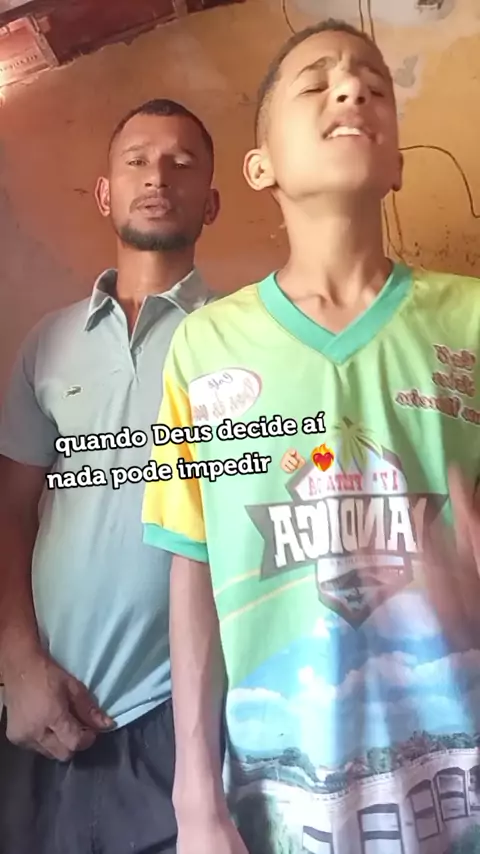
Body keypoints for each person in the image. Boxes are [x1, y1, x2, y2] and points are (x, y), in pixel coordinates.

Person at [141, 19, 480, 854]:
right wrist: (194, 795)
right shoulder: (205, 346)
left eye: (373, 83)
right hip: (279, 810)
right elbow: (193, 568)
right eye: (317, 82)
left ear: (397, 164)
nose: (352, 89)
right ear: (261, 167)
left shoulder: (470, 320)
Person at [0, 98, 219, 854]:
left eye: (182, 163)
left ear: (212, 202)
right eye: (137, 161)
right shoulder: (47, 344)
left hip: (184, 717)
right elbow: (11, 511)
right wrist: (17, 664)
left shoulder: (240, 339)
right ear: (104, 193)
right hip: (43, 708)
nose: (158, 177)